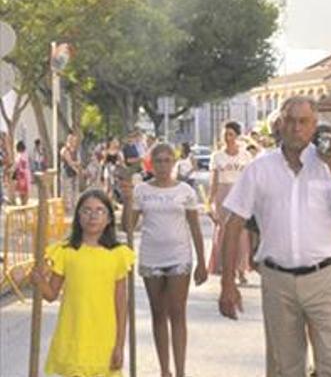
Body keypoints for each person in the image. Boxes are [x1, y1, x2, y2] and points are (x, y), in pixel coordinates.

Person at [218, 96, 331, 377]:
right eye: (290, 121)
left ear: (314, 126)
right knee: (285, 369)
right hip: (278, 282)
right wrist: (227, 283)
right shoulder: (260, 168)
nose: (296, 128)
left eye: (303, 122)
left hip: (326, 277)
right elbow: (233, 223)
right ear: (279, 125)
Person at [123, 143, 207, 377]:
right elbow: (127, 226)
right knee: (158, 313)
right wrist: (128, 199)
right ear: (152, 163)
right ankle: (164, 370)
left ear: (173, 162)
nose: (162, 166)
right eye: (158, 161)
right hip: (152, 257)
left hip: (179, 256)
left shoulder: (185, 191)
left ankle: (180, 370)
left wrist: (202, 261)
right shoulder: (142, 191)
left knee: (177, 312)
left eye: (167, 161)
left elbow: (195, 227)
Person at [30, 189, 136, 377]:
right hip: (73, 335)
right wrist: (38, 281)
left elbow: (121, 304)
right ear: (78, 216)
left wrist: (119, 345)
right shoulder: (66, 251)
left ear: (109, 218)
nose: (92, 216)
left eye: (99, 210)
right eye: (86, 210)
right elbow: (51, 294)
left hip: (104, 339)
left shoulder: (118, 254)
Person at [207, 121, 253, 284]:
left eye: (231, 134)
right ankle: (226, 269)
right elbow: (213, 180)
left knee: (241, 233)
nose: (228, 138)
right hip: (223, 194)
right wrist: (210, 202)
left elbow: (250, 180)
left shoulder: (246, 156)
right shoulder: (217, 156)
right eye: (225, 135)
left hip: (240, 194)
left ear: (237, 136)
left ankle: (241, 269)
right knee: (224, 231)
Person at [60, 133, 82, 213]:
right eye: (72, 140)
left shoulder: (76, 150)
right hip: (66, 173)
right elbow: (70, 162)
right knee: (67, 190)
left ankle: (74, 207)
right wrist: (76, 165)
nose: (73, 142)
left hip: (74, 173)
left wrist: (76, 166)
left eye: (75, 140)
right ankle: (67, 208)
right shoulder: (64, 150)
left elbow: (78, 162)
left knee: (75, 190)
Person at [14, 140, 31, 205]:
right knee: (25, 192)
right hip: (25, 175)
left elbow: (19, 165)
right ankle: (24, 205)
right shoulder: (25, 154)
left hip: (22, 176)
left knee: (22, 193)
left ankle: (23, 205)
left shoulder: (20, 156)